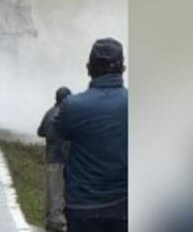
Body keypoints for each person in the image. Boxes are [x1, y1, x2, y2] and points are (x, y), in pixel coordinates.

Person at [55, 38, 128, 232]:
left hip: (83, 207)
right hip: (124, 206)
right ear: (123, 69)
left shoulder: (72, 106)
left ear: (89, 68)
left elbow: (57, 132)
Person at [38, 86, 73, 232]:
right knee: (59, 191)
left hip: (52, 156)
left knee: (52, 190)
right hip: (63, 158)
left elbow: (40, 132)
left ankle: (50, 219)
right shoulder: (66, 115)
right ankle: (57, 223)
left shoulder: (49, 113)